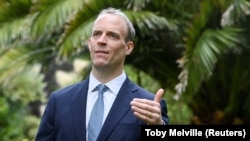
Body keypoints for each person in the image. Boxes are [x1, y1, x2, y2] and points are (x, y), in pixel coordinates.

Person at [35, 7, 169, 141]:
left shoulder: (149, 105)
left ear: (128, 48)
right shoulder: (59, 102)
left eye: (112, 35)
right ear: (89, 44)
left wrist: (157, 130)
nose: (101, 41)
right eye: (97, 34)